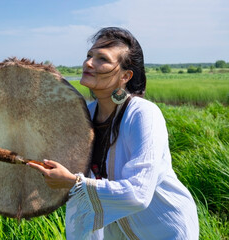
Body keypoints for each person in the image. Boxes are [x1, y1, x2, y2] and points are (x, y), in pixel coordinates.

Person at [27, 27, 199, 239]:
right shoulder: (86, 115)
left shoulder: (143, 114)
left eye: (102, 59)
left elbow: (139, 193)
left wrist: (73, 182)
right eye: (89, 55)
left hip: (164, 229)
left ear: (125, 76)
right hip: (117, 231)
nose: (88, 63)